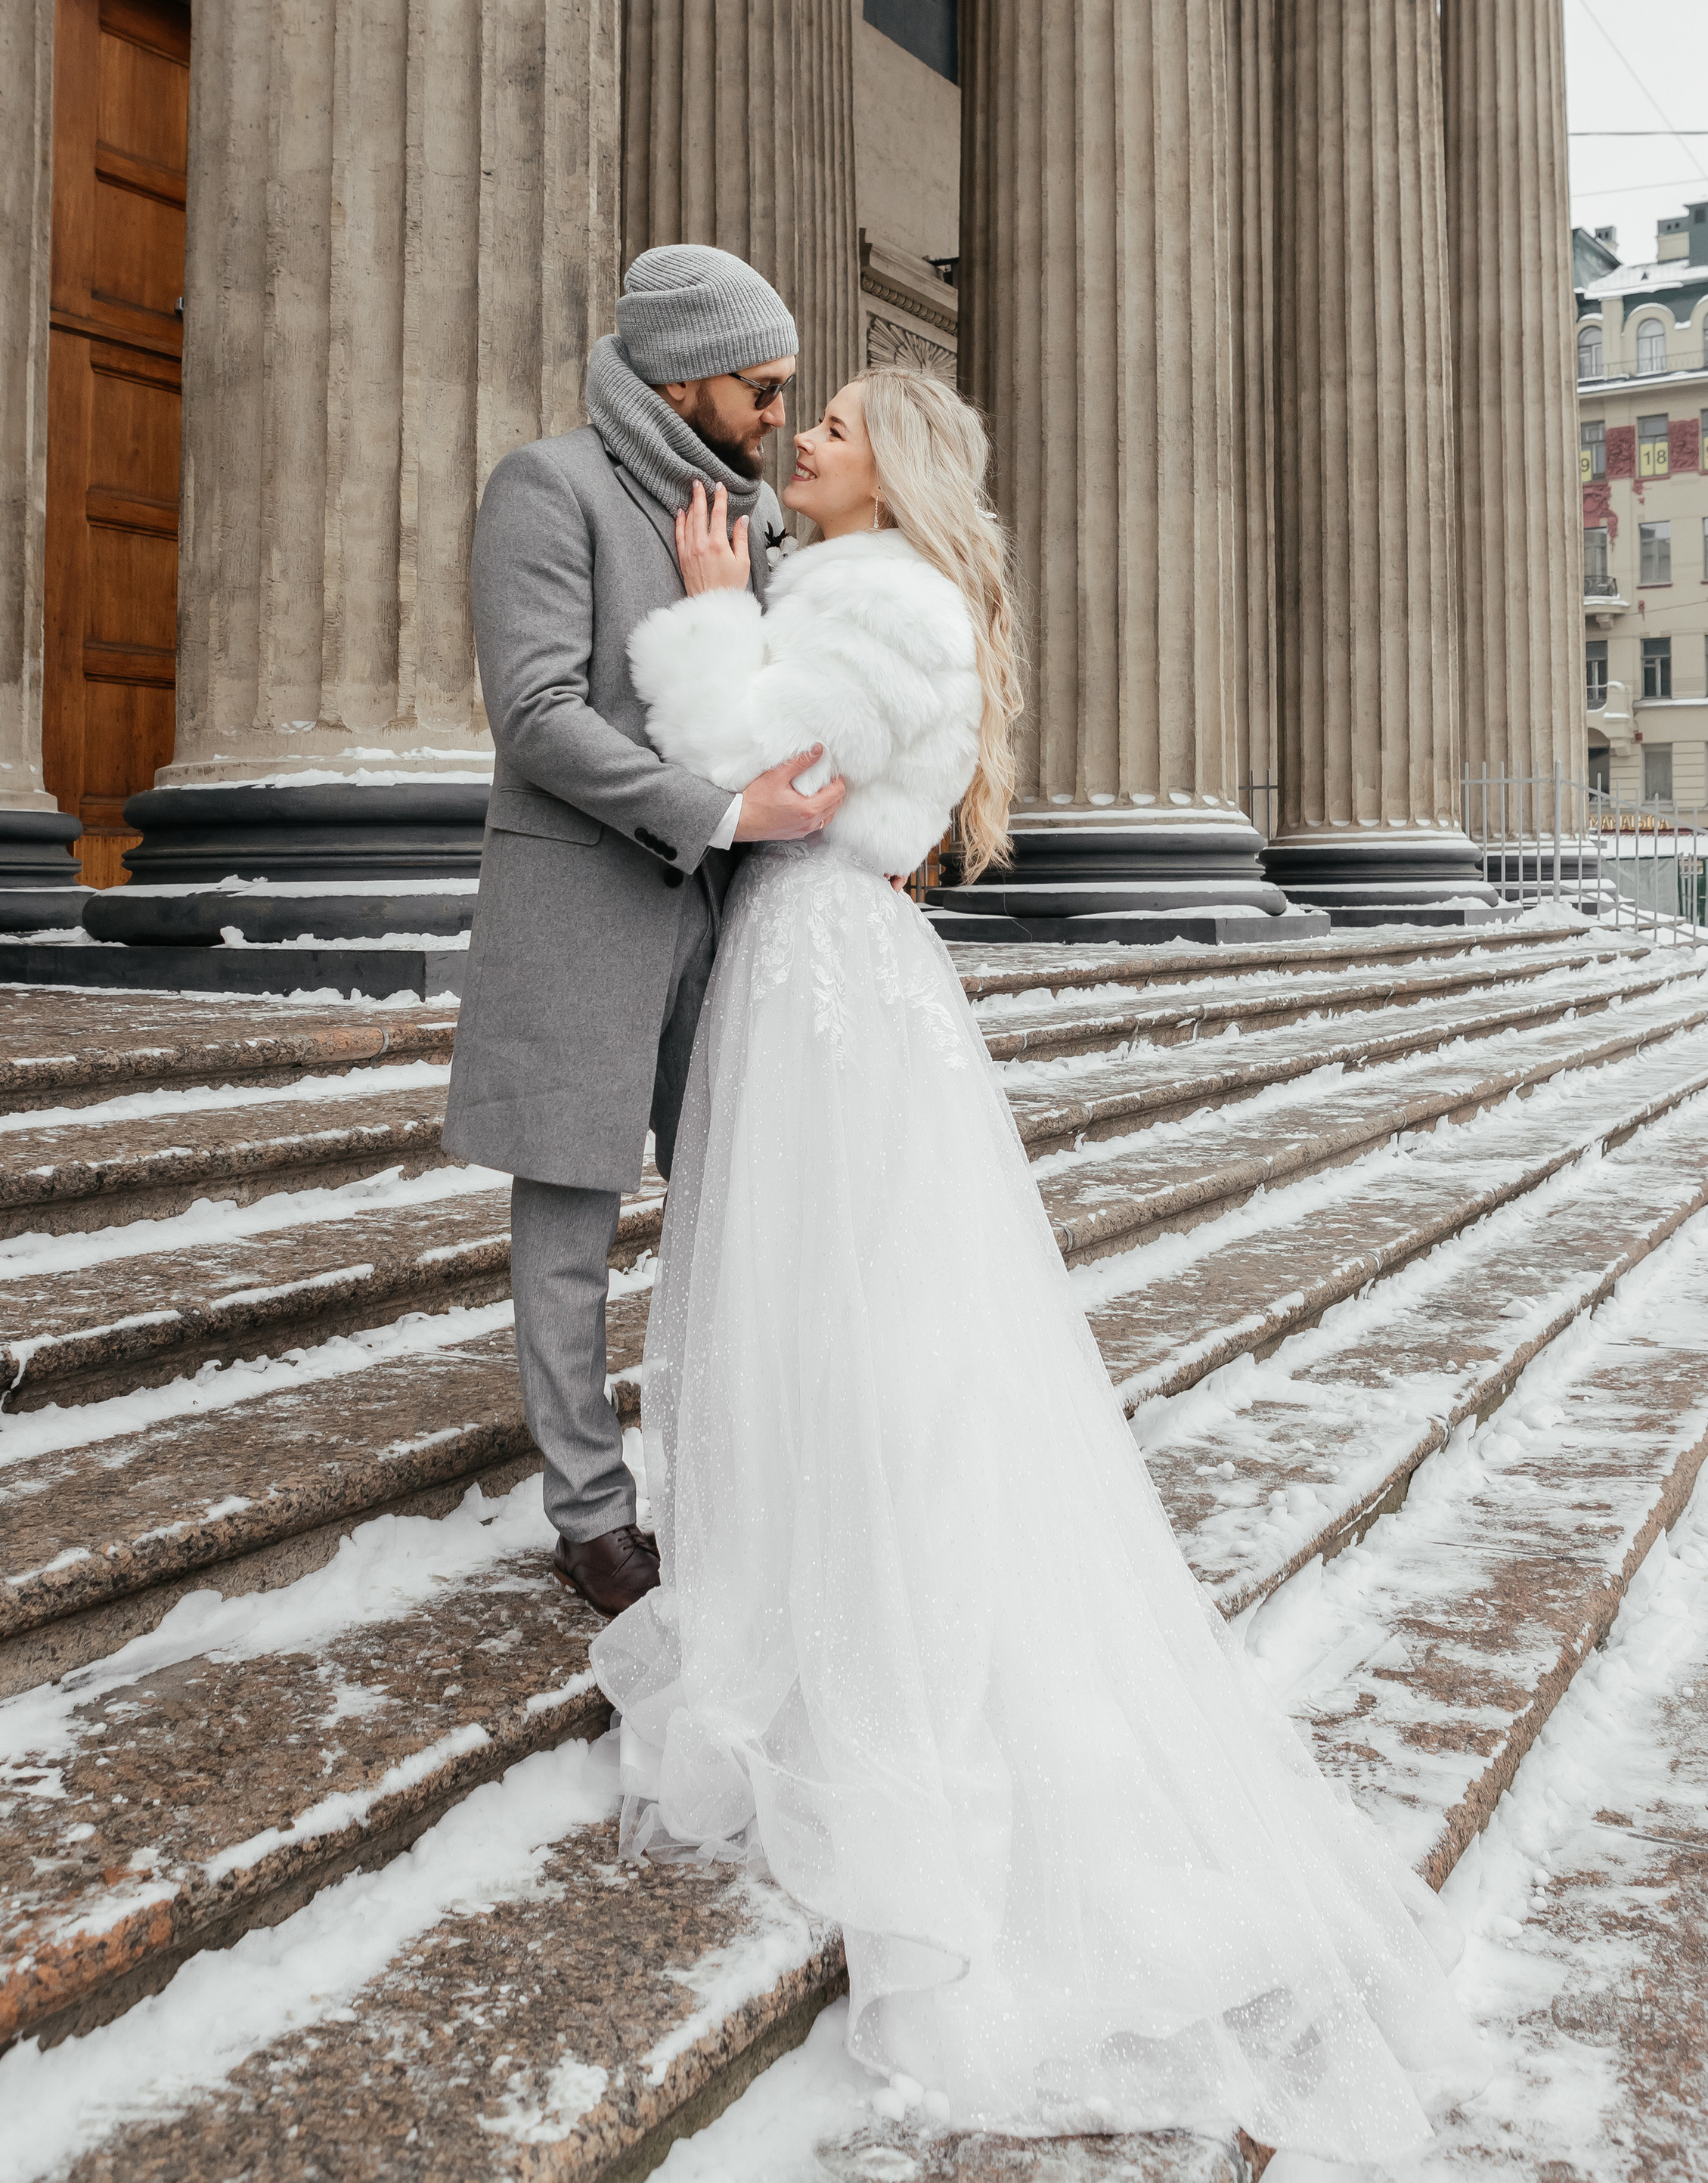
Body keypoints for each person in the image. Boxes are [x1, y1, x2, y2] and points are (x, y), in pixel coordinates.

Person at [590, 365, 1481, 2159]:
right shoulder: (855, 591)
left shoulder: (887, 601)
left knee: (857, 1324)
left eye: (832, 423)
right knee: (833, 1317)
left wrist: (698, 619)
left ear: (891, 469)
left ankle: (886, 1651)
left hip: (828, 975)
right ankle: (822, 1566)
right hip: (821, 973)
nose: (805, 441)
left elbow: (748, 775)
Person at [442, 245, 847, 1618]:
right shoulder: (544, 488)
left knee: (735, 1204)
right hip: (585, 911)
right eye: (761, 388)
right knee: (566, 1219)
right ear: (683, 370)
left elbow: (771, 703)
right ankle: (591, 1515)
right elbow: (540, 717)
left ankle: (728, 1480)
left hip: (732, 925)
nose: (779, 417)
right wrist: (726, 815)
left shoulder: (755, 517)